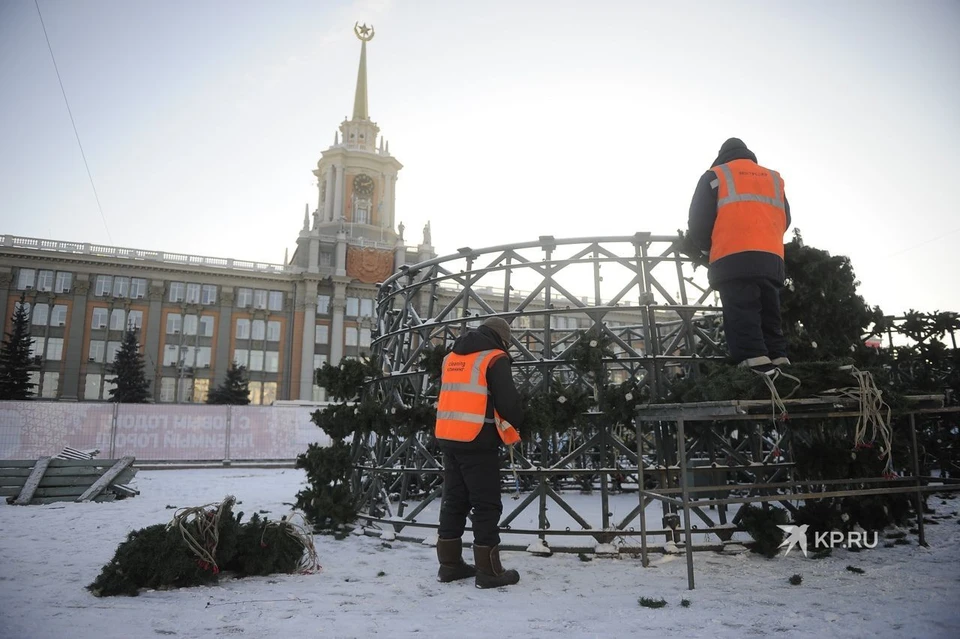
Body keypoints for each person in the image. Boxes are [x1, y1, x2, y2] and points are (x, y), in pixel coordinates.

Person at [686, 138, 791, 374]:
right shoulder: (773, 178)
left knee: (742, 310)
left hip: (733, 257)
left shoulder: (715, 176)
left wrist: (706, 248)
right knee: (769, 311)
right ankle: (779, 358)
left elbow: (698, 220)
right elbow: (786, 219)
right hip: (771, 258)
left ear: (722, 155)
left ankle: (755, 364)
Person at [434, 316, 523, 588]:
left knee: (454, 500)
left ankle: (449, 565)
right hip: (478, 439)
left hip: (449, 437)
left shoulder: (451, 357)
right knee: (486, 504)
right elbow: (507, 402)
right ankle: (489, 571)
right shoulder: (495, 358)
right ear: (502, 338)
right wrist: (520, 425)